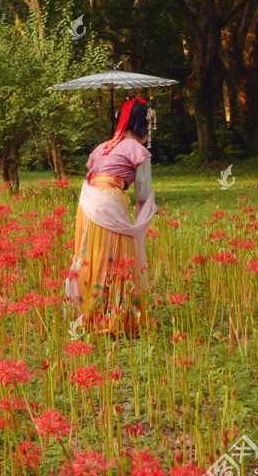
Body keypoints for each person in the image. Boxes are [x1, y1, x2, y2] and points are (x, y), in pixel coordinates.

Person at [65, 96, 157, 337]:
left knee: (93, 253)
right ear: (142, 125)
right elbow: (143, 191)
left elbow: (93, 172)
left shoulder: (101, 147)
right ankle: (116, 316)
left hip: (87, 203)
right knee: (118, 256)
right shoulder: (138, 150)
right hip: (110, 200)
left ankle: (90, 312)